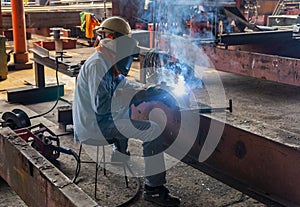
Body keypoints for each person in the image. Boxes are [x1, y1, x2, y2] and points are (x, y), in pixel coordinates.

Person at [72, 16, 180, 206]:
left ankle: (118, 154)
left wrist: (146, 89)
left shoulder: (106, 59)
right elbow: (103, 108)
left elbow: (123, 82)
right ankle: (154, 189)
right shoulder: (98, 65)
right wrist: (133, 98)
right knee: (152, 130)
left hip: (97, 120)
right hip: (95, 126)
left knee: (128, 111)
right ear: (113, 39)